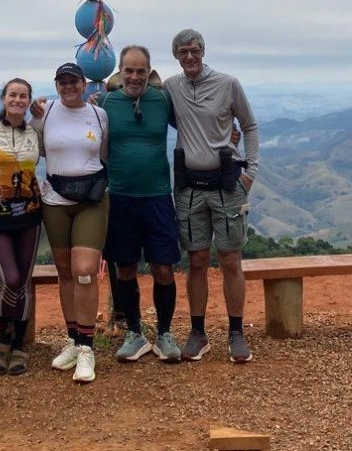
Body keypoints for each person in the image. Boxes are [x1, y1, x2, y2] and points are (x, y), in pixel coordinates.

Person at [166, 29, 259, 363]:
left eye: (194, 50)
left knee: (230, 258)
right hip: (190, 186)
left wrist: (251, 172)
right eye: (183, 52)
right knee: (197, 259)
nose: (189, 57)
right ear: (176, 56)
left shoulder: (228, 84)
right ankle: (197, 333)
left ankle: (236, 332)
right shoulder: (171, 87)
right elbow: (140, 91)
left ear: (203, 51)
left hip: (227, 184)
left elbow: (249, 125)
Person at [91, 46, 184, 363]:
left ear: (149, 72)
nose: (134, 76)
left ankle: (165, 334)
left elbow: (195, 124)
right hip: (120, 197)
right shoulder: (105, 103)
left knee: (163, 268)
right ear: (120, 71)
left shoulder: (162, 100)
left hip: (157, 196)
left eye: (140, 71)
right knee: (125, 267)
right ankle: (134, 332)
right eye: (128, 70)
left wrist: (230, 135)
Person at [31, 63, 109, 383]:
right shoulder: (45, 113)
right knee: (65, 272)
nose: (68, 86)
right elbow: (33, 149)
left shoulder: (99, 115)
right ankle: (74, 340)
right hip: (54, 201)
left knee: (85, 270)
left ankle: (87, 348)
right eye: (62, 82)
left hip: (92, 200)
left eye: (73, 81)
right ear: (56, 85)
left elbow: (105, 153)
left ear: (84, 83)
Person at [0, 78, 42, 376]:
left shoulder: (35, 131)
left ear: (29, 101)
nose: (18, 100)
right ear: (3, 99)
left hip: (29, 215)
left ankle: (17, 344)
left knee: (23, 281)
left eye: (23, 96)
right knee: (11, 279)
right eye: (13, 95)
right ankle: (3, 338)